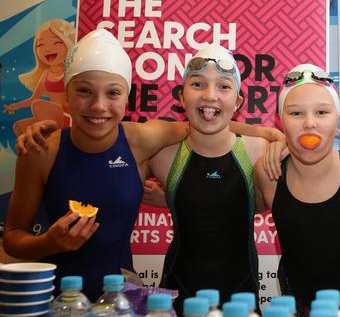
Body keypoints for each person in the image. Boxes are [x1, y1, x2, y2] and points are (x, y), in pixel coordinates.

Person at [5, 29, 280, 300]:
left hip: (120, 300)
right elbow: (12, 238)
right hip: (59, 300)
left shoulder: (140, 140)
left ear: (127, 97)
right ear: (66, 94)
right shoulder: (41, 149)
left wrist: (270, 134)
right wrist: (49, 243)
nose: (98, 105)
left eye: (112, 93)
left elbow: (203, 122)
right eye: (84, 91)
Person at [254, 64, 340, 317]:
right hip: (297, 305)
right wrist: (274, 139)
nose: (310, 123)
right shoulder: (268, 173)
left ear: (337, 118)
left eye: (322, 112)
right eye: (296, 113)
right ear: (280, 120)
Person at [146, 44, 268, 312]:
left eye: (224, 86)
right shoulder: (162, 155)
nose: (210, 95)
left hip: (241, 299)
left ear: (237, 102)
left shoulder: (259, 151)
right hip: (179, 295)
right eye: (198, 84)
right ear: (181, 96)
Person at [3, 19, 75, 135]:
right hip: (50, 116)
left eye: (55, 42)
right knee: (19, 126)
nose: (47, 49)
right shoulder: (46, 74)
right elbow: (32, 99)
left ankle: (59, 137)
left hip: (67, 115)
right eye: (40, 44)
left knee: (38, 105)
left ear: (67, 42)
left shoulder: (72, 72)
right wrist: (14, 106)